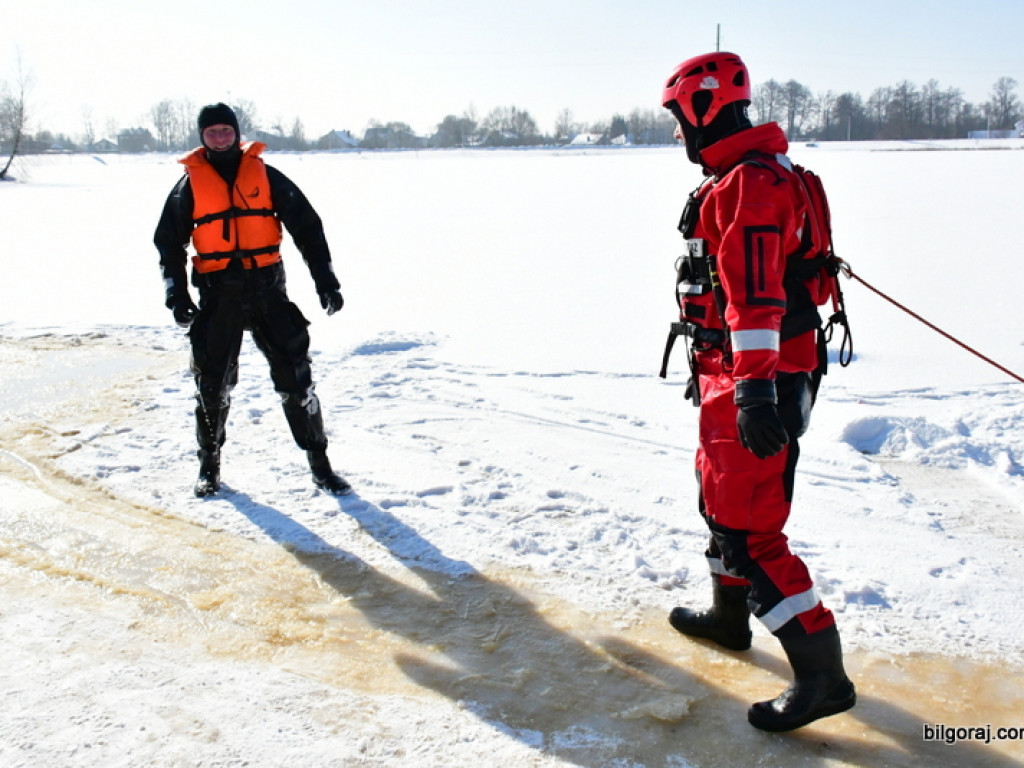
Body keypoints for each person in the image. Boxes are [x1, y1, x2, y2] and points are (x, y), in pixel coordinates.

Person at [659, 52, 855, 732]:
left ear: (703, 109)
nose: (678, 134)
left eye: (679, 119)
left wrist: (753, 394)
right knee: (719, 499)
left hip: (757, 378)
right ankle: (727, 618)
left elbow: (757, 297)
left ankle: (823, 677)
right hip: (746, 374)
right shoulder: (759, 176)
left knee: (750, 531)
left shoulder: (748, 184)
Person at [154, 102, 351, 498]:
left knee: (297, 380)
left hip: (267, 289)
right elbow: (168, 244)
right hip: (218, 293)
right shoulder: (189, 186)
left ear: (236, 132)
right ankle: (209, 465)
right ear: (202, 137)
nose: (220, 137)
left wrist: (325, 280)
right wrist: (176, 293)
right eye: (212, 132)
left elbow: (307, 228)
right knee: (211, 385)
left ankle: (320, 464)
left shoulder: (267, 175)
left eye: (226, 130)